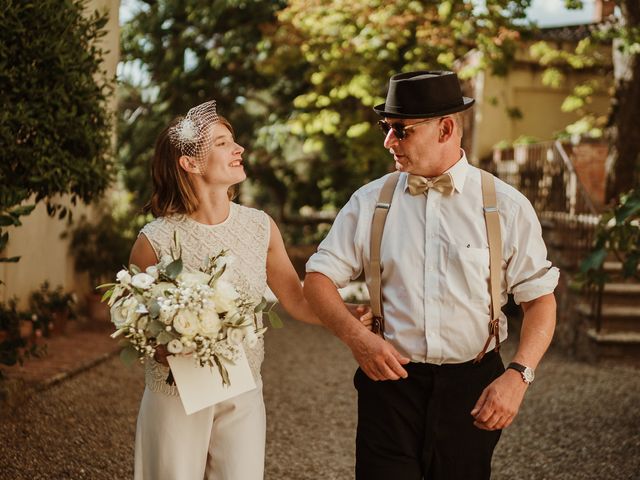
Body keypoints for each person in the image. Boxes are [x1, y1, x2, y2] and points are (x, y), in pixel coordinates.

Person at [303, 71, 559, 480]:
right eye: (386, 128)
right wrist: (358, 339)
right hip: (389, 386)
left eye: (400, 130)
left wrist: (519, 375)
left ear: (445, 128)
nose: (389, 141)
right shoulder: (369, 203)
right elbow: (317, 278)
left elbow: (540, 300)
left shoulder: (506, 207)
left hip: (473, 388)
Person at [128, 100, 371, 480]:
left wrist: (348, 316)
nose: (238, 149)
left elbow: (296, 299)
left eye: (234, 141)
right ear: (190, 164)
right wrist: (165, 345)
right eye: (223, 143)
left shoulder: (260, 227)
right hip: (176, 393)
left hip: (242, 389)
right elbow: (136, 323)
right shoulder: (155, 240)